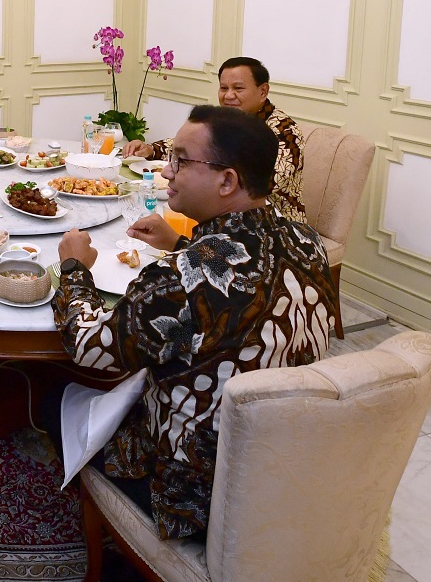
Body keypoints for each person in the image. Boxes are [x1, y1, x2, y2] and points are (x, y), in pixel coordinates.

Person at [43, 105, 337, 540]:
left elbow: (90, 347)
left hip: (197, 495)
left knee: (48, 392)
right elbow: (241, 281)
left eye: (181, 161)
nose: (166, 172)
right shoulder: (307, 242)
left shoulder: (181, 277)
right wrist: (181, 242)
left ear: (227, 180)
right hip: (281, 465)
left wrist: (74, 267)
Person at [123, 57, 306, 223]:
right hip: (218, 212)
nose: (228, 96)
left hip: (272, 223)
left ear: (263, 90)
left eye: (238, 88)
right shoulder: (227, 120)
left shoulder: (286, 132)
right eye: (224, 88)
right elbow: (194, 145)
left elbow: (258, 183)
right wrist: (151, 149)